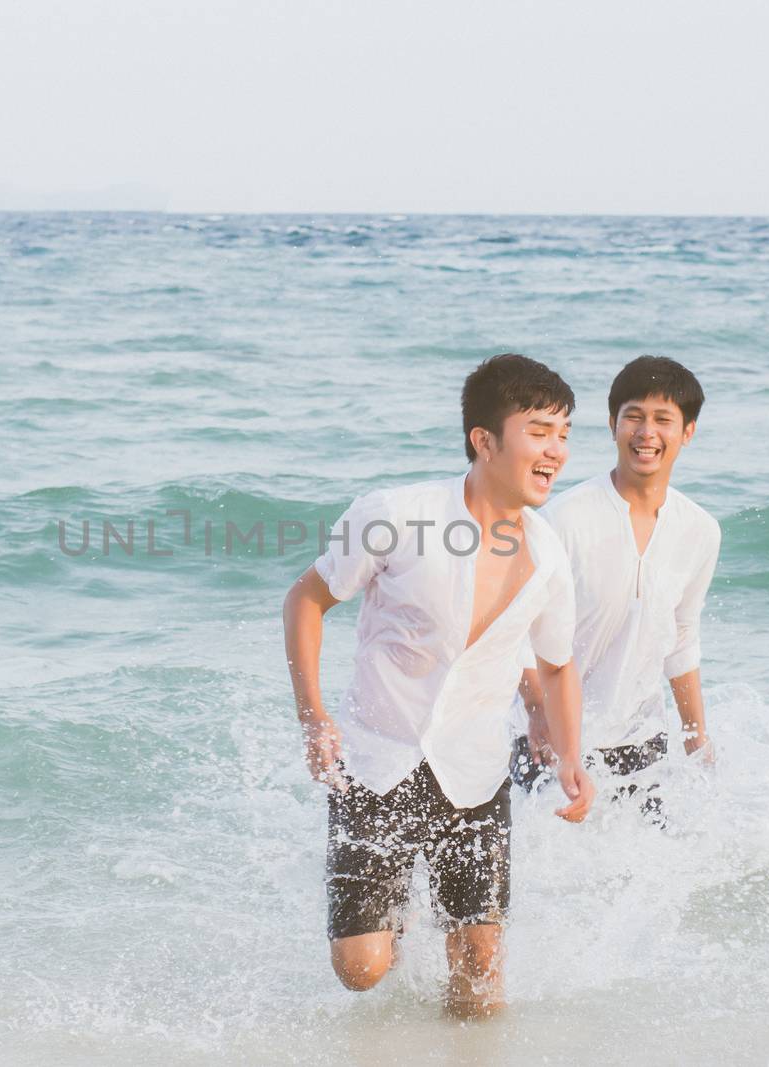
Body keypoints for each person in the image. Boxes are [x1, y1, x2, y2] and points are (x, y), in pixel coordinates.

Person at [282, 353, 595, 1019]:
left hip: (476, 771)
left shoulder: (547, 553)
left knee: (480, 983)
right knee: (362, 970)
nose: (557, 451)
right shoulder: (396, 514)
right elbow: (305, 602)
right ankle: (389, 917)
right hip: (374, 762)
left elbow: (558, 661)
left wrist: (569, 753)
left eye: (565, 433)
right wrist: (314, 717)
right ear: (485, 440)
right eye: (540, 431)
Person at [514, 356, 721, 820]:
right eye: (634, 417)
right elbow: (517, 632)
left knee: (646, 878)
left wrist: (695, 737)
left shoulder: (700, 531)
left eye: (663, 420)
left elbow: (682, 637)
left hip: (639, 743)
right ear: (613, 425)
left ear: (687, 432)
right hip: (547, 740)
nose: (646, 433)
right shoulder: (561, 519)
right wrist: (537, 711)